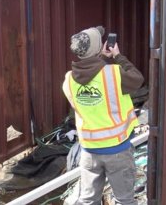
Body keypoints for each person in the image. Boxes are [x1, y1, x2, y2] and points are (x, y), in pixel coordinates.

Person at [62, 26, 144, 205]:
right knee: (124, 201)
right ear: (99, 47)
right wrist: (117, 56)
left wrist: (99, 58)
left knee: (89, 200)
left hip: (89, 151)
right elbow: (137, 79)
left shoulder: (68, 80)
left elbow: (89, 75)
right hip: (117, 150)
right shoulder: (113, 73)